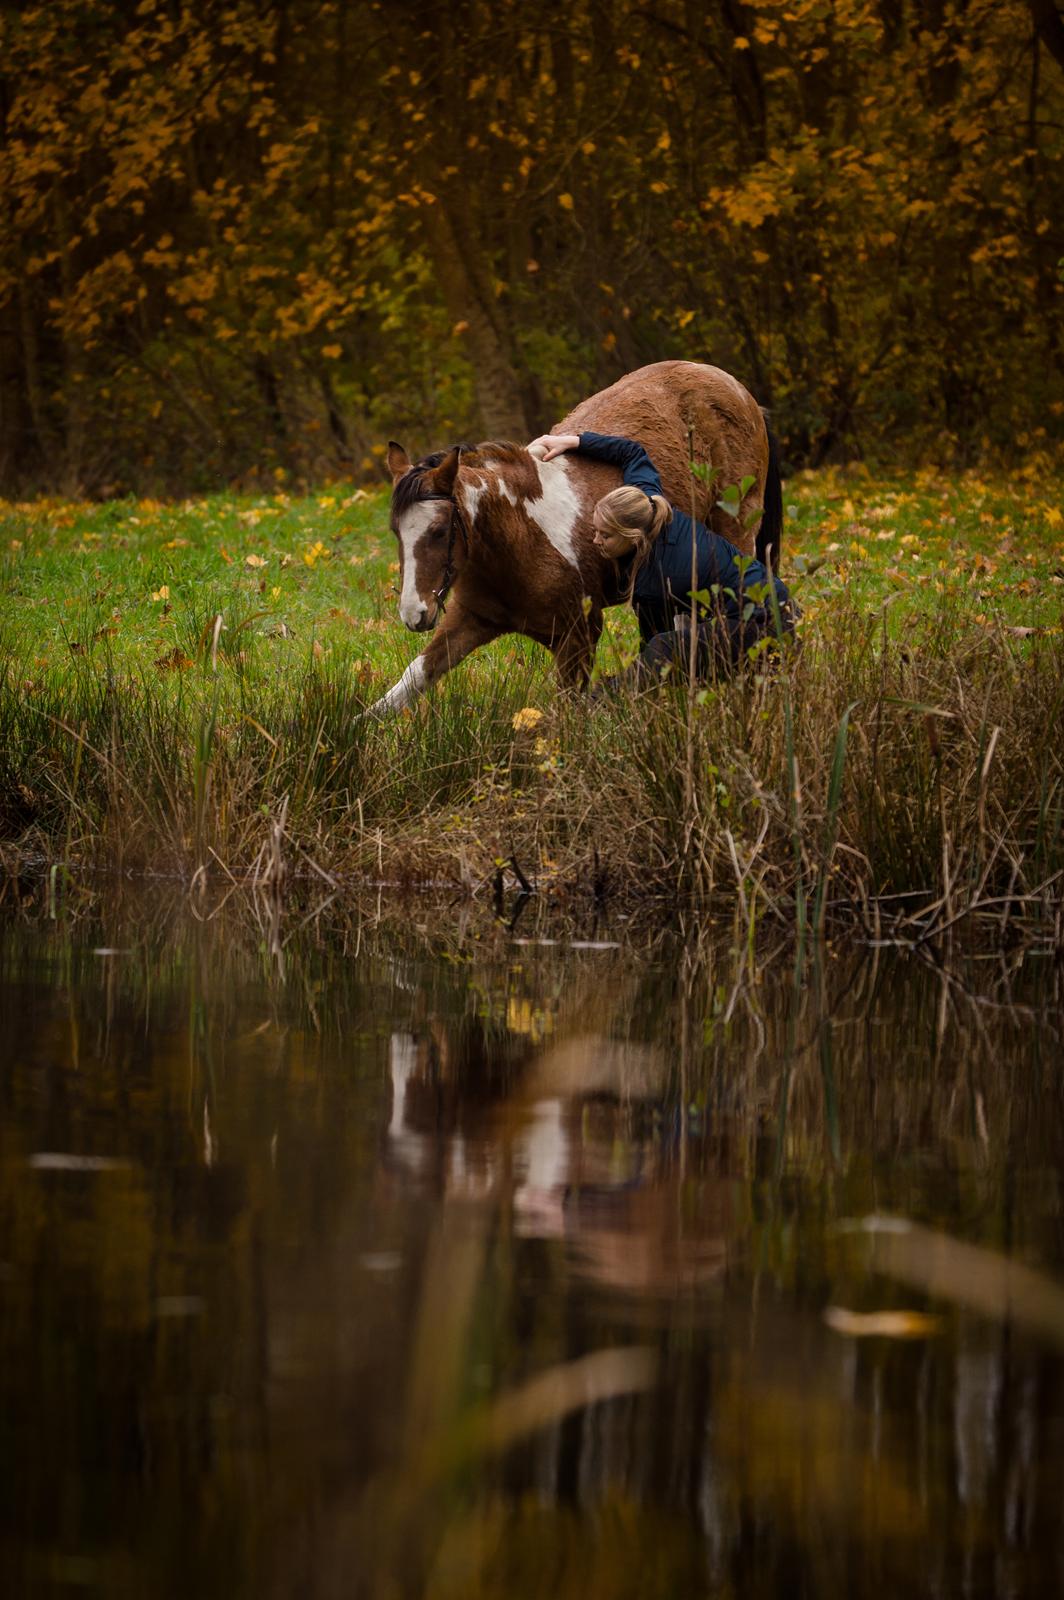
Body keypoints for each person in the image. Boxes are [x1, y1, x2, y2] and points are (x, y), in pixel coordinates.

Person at [527, 430, 799, 689]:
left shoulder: (659, 580)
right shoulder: (647, 504)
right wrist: (572, 441)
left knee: (663, 650)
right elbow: (632, 452)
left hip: (766, 623)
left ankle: (595, 702)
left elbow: (657, 649)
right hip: (765, 600)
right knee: (664, 651)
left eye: (605, 536)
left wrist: (633, 679)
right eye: (595, 530)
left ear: (633, 537)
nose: (595, 540)